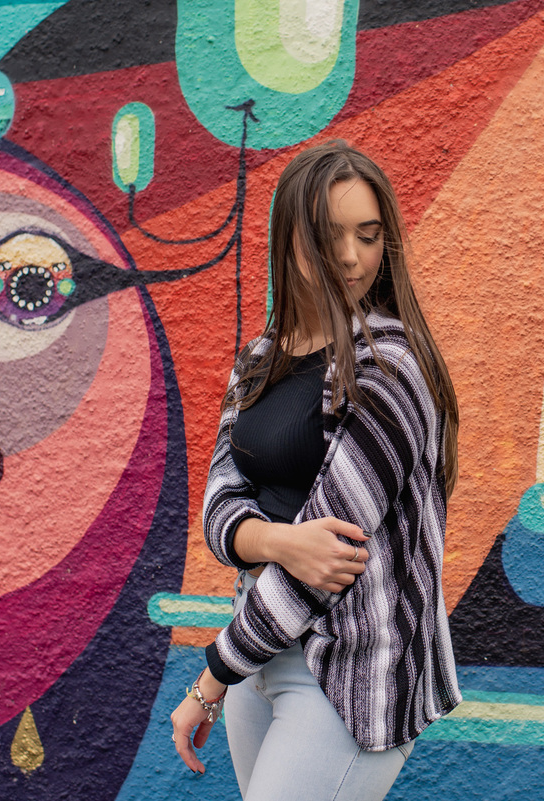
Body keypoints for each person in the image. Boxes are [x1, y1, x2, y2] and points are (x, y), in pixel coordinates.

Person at [170, 140, 461, 800]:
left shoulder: (390, 371)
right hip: (258, 653)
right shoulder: (260, 358)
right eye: (331, 237)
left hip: (349, 673)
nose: (352, 256)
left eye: (369, 235)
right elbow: (218, 503)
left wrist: (211, 677)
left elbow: (325, 567)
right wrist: (277, 540)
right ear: (291, 238)